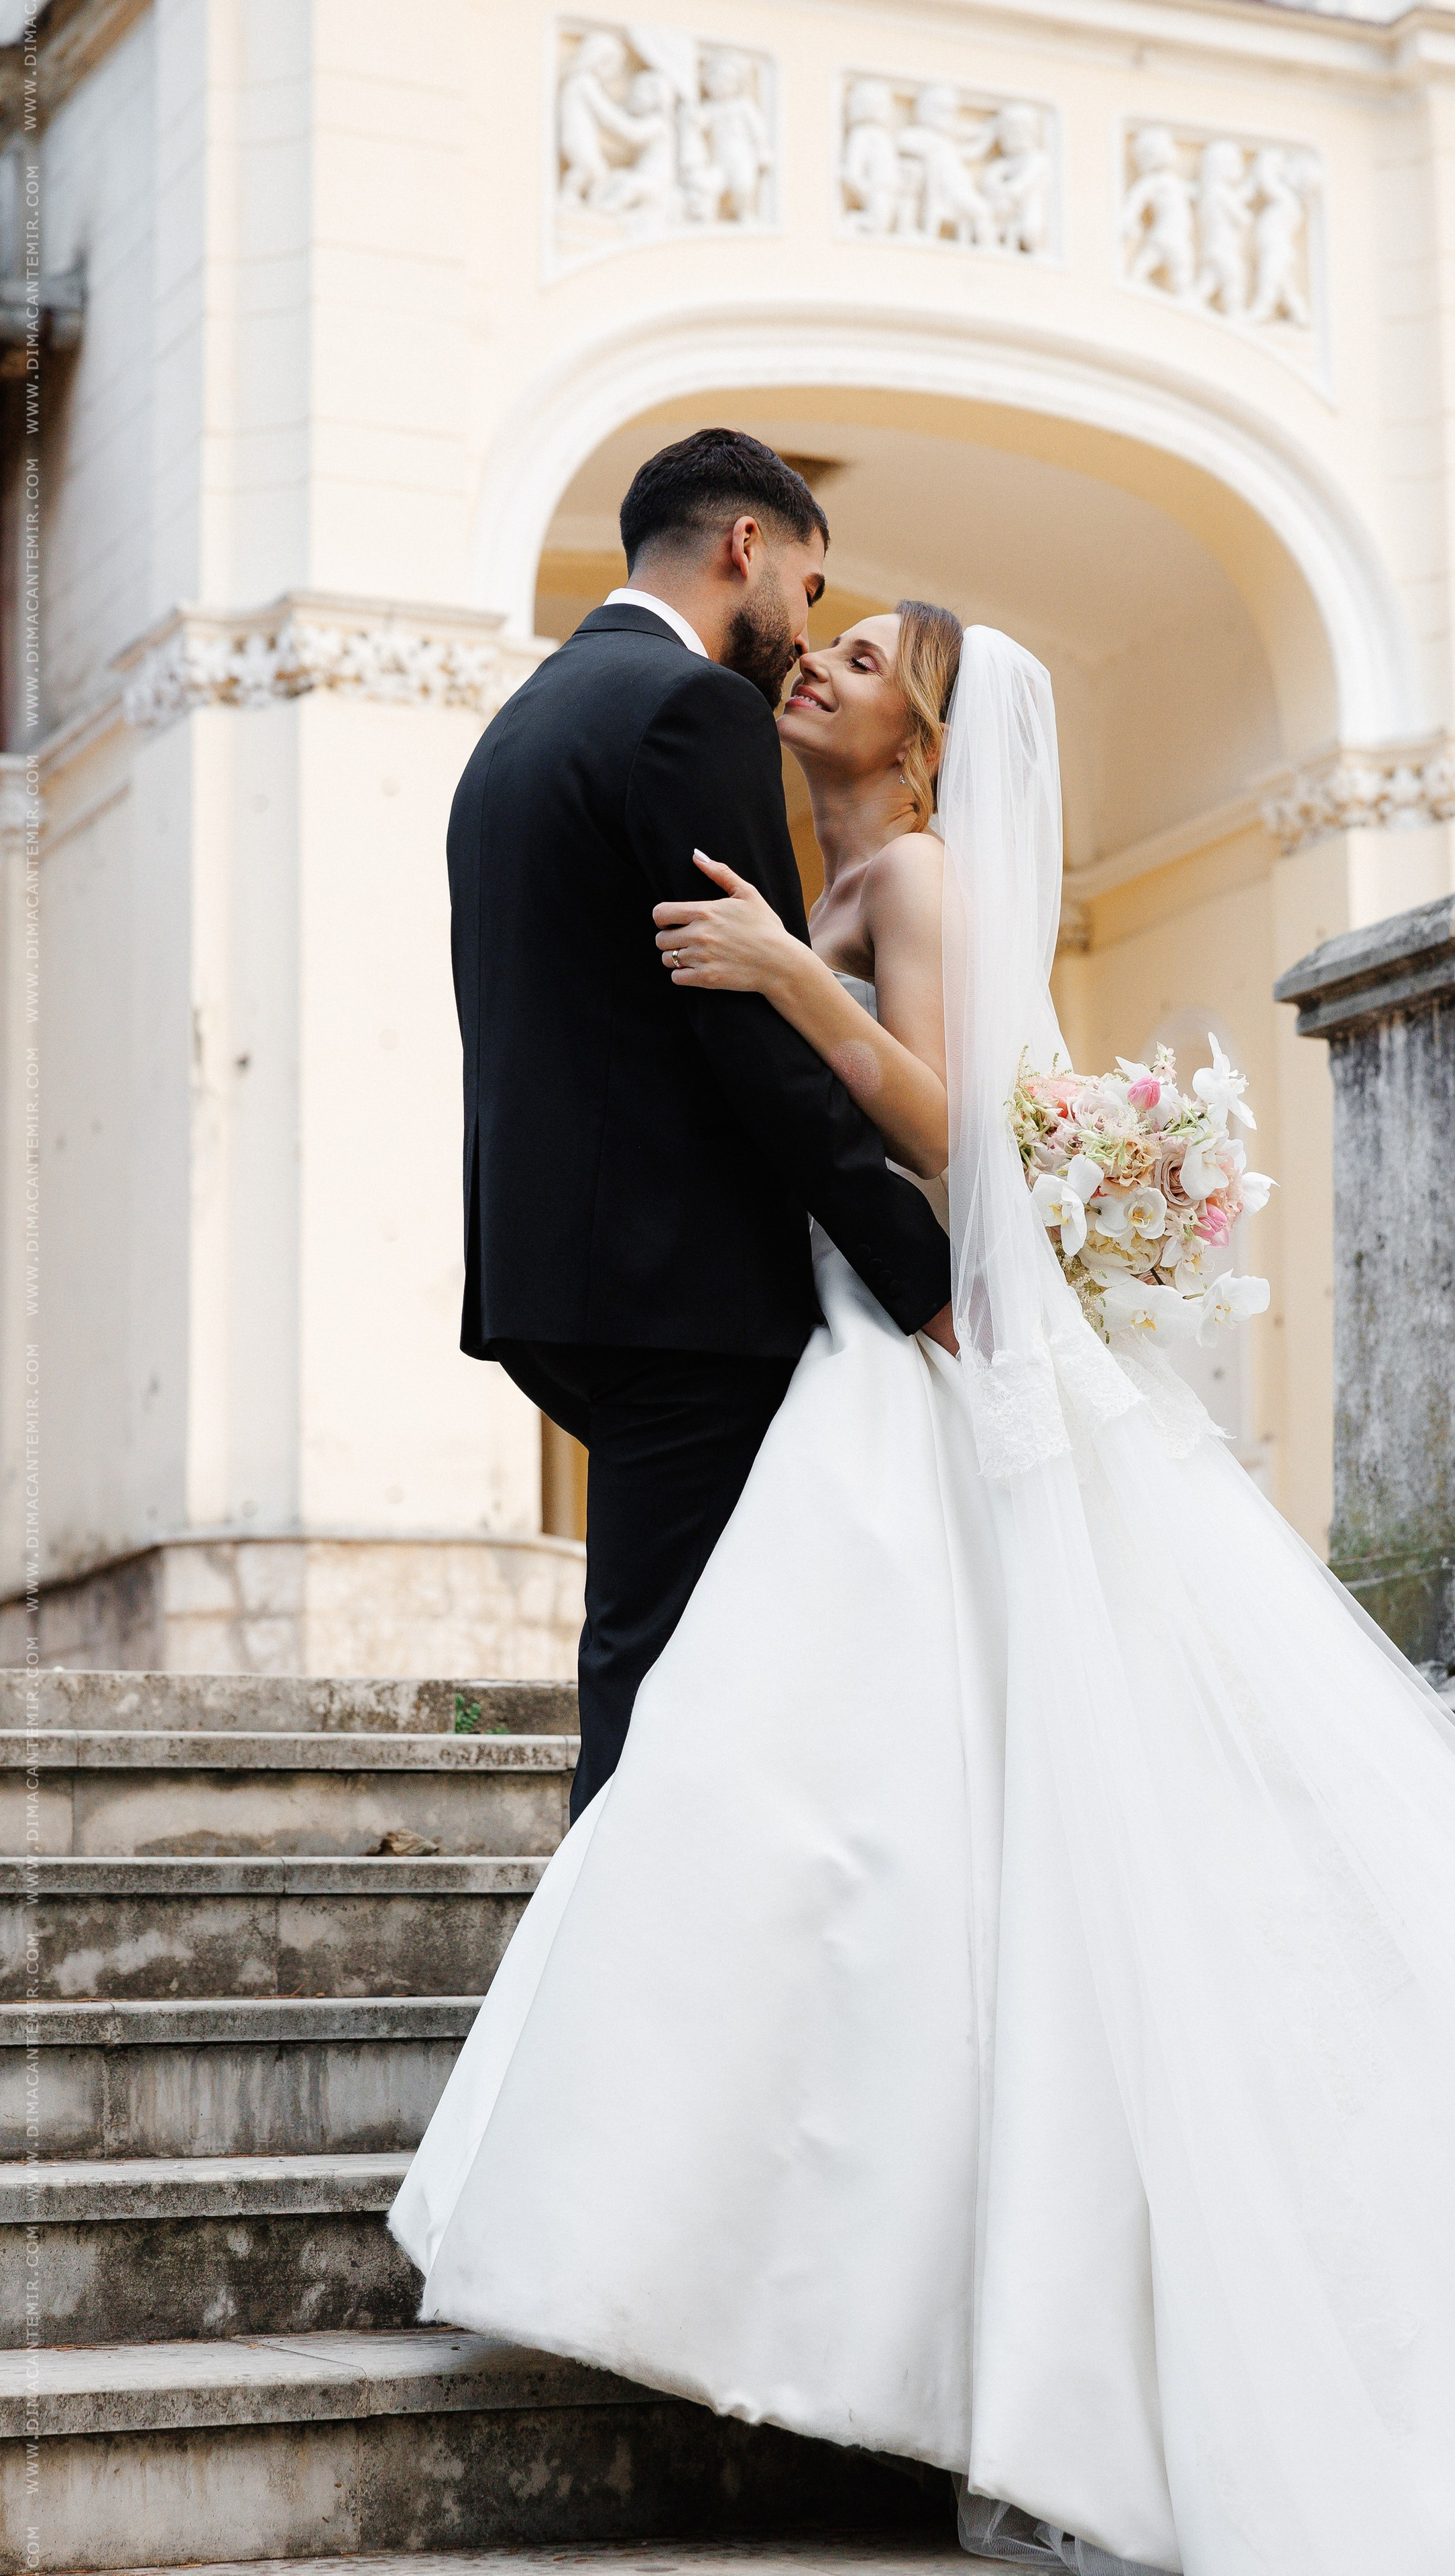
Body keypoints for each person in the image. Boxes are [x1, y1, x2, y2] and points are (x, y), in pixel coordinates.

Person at [402, 608, 1455, 2576]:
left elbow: (966, 1135)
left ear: (925, 738)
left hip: (922, 1341)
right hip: (868, 1345)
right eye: (821, 644)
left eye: (860, 658)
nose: (817, 668)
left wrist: (793, 981)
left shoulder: (907, 874)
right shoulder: (853, 872)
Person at [446, 429, 951, 1828]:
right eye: (809, 584)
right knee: (669, 1682)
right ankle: (601, 2014)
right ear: (748, 550)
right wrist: (926, 1279)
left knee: (699, 1664)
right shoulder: (685, 710)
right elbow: (748, 1045)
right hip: (684, 1293)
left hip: (563, 1278)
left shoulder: (526, 715)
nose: (802, 632)